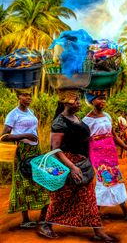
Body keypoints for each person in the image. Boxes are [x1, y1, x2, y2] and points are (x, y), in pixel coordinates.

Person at [39, 89, 116, 242]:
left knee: (88, 196)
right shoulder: (59, 122)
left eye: (79, 100)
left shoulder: (76, 118)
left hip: (82, 164)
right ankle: (46, 224)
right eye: (76, 100)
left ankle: (97, 231)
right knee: (62, 196)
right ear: (64, 102)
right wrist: (72, 168)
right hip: (68, 164)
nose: (79, 103)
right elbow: (55, 149)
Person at [83, 90, 127, 220]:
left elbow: (114, 136)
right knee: (104, 181)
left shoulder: (107, 116)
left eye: (104, 98)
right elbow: (83, 140)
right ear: (92, 100)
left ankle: (125, 212)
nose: (102, 101)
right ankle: (95, 213)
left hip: (111, 153)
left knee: (116, 180)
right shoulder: (86, 120)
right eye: (99, 98)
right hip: (97, 155)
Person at [0, 88, 50, 228]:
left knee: (41, 181)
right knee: (23, 184)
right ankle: (25, 220)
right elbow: (3, 137)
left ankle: (42, 217)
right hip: (23, 152)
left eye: (30, 95)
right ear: (18, 97)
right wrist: (24, 136)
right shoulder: (13, 114)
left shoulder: (31, 112)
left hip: (35, 150)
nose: (28, 98)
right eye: (25, 95)